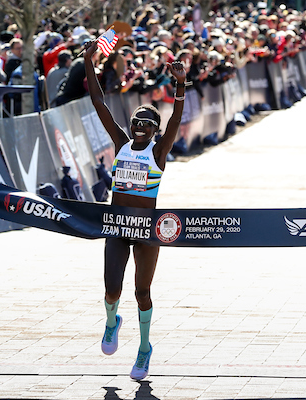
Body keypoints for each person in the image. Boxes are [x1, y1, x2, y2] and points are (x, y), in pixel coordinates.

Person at [84, 39, 186, 380]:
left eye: (146, 122)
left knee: (142, 292)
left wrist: (181, 84)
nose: (139, 124)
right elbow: (99, 101)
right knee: (112, 289)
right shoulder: (120, 143)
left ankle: (144, 349)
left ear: (155, 131)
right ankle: (112, 321)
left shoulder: (158, 152)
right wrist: (88, 60)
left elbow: (175, 120)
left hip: (147, 231)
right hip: (117, 225)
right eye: (136, 120)